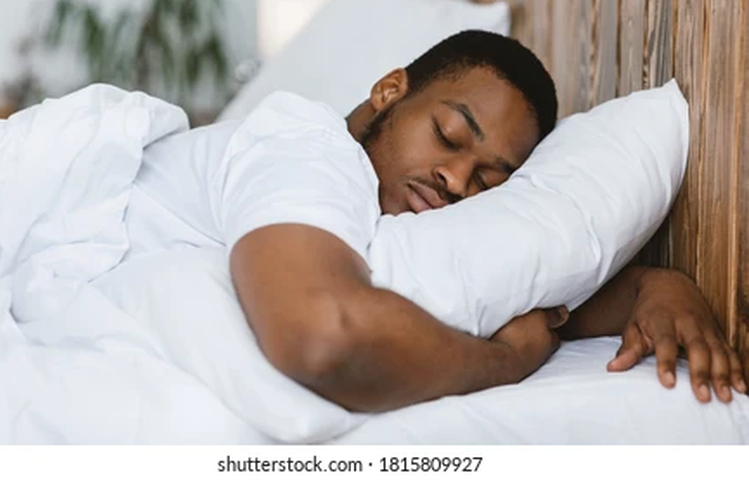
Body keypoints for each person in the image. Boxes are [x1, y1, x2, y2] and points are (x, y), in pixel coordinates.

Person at [127, 30, 745, 413]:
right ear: (389, 91)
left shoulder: (375, 210)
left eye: (488, 182)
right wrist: (502, 362)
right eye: (448, 135)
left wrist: (654, 286)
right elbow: (323, 335)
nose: (455, 178)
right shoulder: (305, 147)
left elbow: (491, 283)